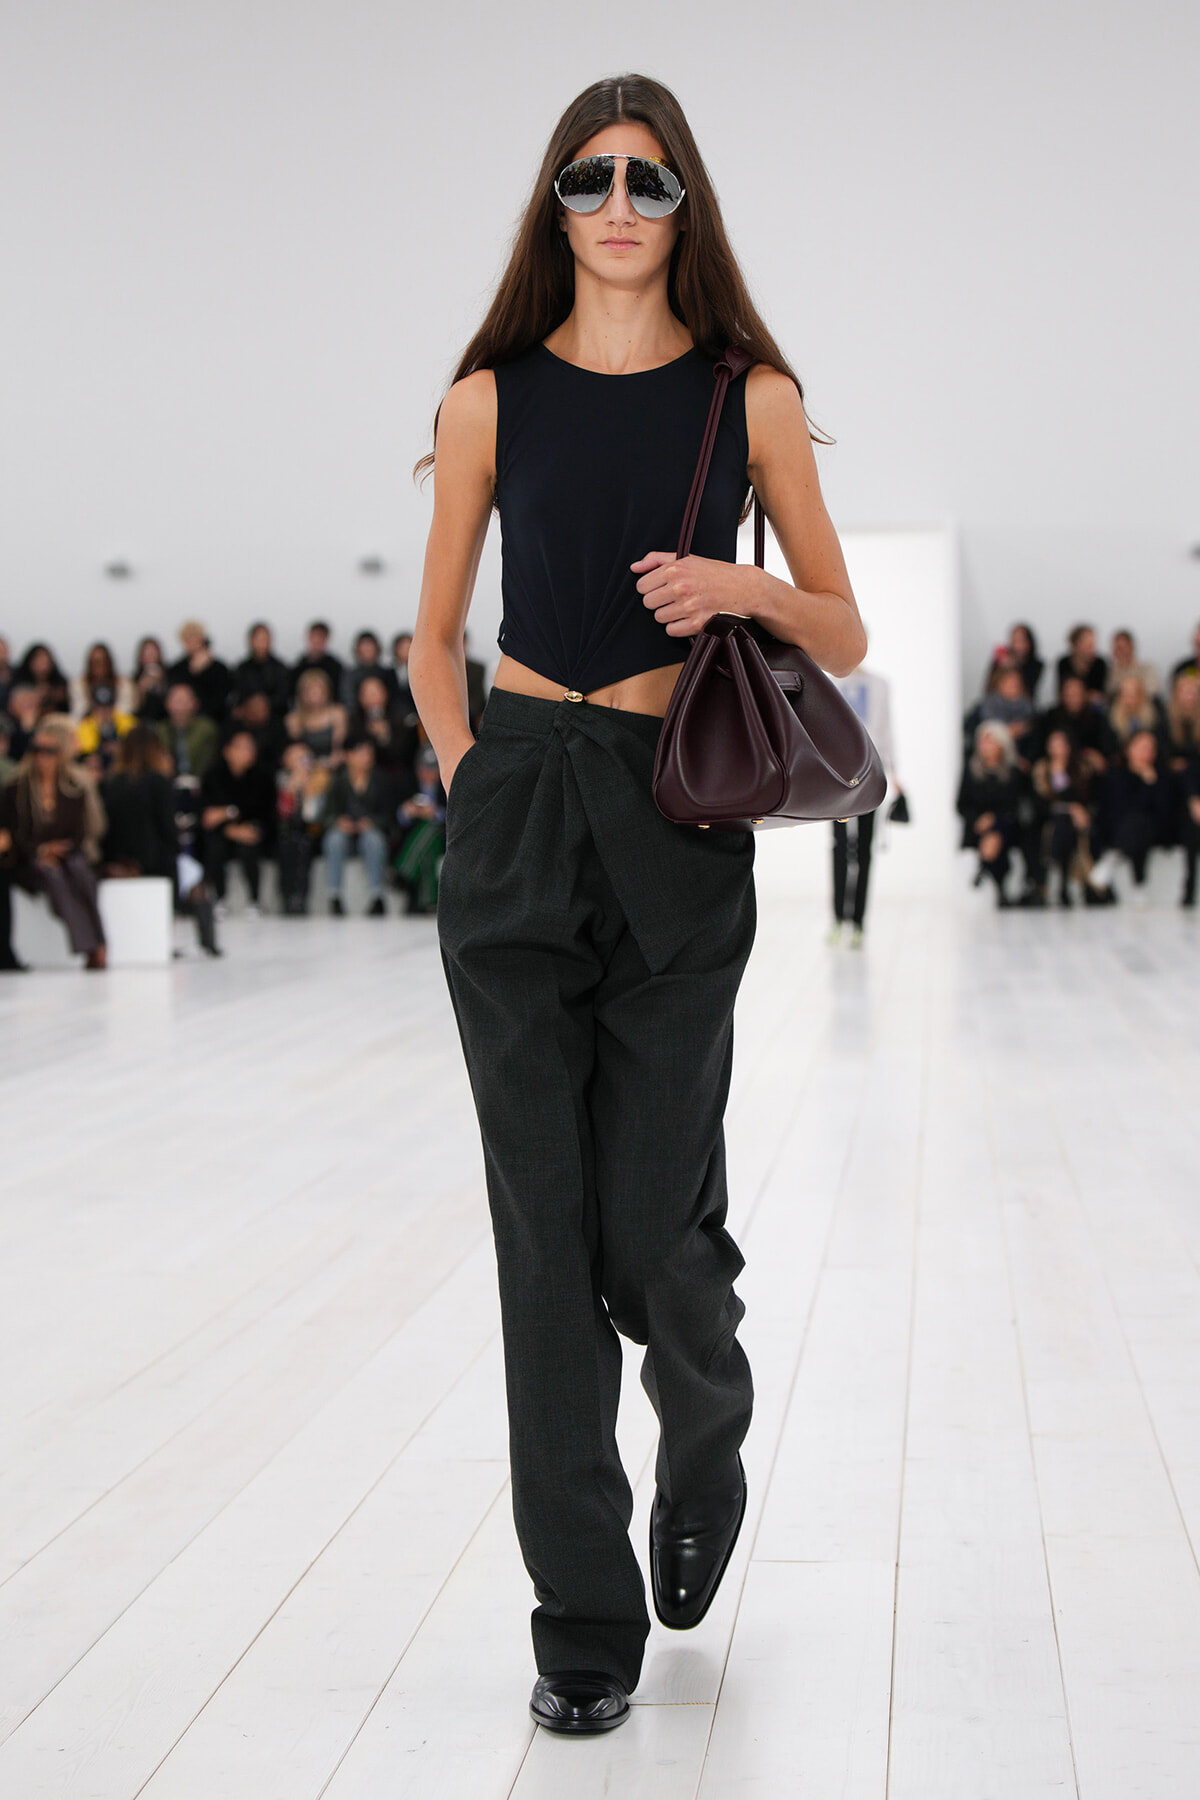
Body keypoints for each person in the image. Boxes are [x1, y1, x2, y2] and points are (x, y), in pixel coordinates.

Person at [407, 73, 867, 1736]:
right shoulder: (486, 399)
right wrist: (473, 777)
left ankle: (708, 1426)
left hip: (677, 822)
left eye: (649, 180)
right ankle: (579, 1614)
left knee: (646, 1228)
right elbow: (433, 628)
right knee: (544, 1239)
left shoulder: (748, 397)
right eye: (589, 177)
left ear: (685, 207)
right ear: (555, 203)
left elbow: (845, 629)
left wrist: (742, 586)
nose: (616, 201)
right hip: (523, 794)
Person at [0, 715, 108, 967]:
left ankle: (98, 944)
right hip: (29, 859)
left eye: (49, 751)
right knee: (53, 876)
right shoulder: (16, 788)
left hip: (69, 853)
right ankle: (90, 946)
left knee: (81, 873)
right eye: (37, 750)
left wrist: (60, 848)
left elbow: (82, 829)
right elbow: (12, 831)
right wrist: (39, 850)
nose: (42, 757)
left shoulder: (73, 786)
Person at [101, 724, 219, 954]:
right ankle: (207, 942)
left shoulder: (112, 782)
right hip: (156, 861)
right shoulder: (159, 782)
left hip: (119, 858)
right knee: (197, 878)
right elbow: (167, 828)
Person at [828, 664, 899, 946]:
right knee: (840, 847)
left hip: (871, 772)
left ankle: (857, 922)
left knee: (865, 848)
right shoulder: (831, 683)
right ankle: (838, 919)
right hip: (837, 774)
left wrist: (893, 771)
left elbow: (886, 729)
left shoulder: (879, 684)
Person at [1086, 728, 1173, 906]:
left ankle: (1113, 857)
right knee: (1136, 825)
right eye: (1141, 747)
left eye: (1149, 749)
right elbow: (1118, 808)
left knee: (1141, 824)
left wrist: (1150, 784)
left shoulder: (1161, 775)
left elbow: (1164, 810)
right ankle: (1139, 886)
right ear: (1128, 749)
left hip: (1153, 830)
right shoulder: (1115, 774)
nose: (1145, 753)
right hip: (1119, 828)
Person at [199, 727, 274, 915]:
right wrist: (231, 822)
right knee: (215, 848)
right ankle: (220, 898)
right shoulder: (213, 775)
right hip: (222, 833)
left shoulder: (263, 776)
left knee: (249, 848)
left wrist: (227, 813)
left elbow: (264, 811)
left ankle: (255, 900)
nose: (248, 752)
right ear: (227, 751)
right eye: (241, 747)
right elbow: (207, 815)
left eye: (250, 747)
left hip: (253, 829)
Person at [956, 721, 1031, 906]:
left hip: (1007, 825)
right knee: (992, 838)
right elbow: (961, 804)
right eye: (983, 741)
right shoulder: (971, 771)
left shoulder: (1013, 772)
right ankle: (996, 882)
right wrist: (979, 820)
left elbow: (1014, 805)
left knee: (996, 836)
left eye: (991, 741)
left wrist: (993, 819)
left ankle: (986, 871)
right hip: (977, 827)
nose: (986, 747)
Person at [321, 735, 393, 916]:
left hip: (368, 831)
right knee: (334, 840)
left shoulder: (381, 780)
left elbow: (389, 814)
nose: (365, 757)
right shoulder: (337, 780)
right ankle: (334, 895)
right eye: (360, 753)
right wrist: (338, 821)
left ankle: (377, 895)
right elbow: (326, 814)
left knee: (374, 840)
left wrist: (372, 822)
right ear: (348, 756)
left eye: (368, 753)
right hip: (345, 831)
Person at [1031, 727, 1095, 907]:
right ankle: (1059, 879)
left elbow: (1084, 796)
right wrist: (1069, 807)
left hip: (1075, 820)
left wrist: (1073, 808)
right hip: (1048, 819)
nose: (1058, 749)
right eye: (1054, 744)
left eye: (1061, 744)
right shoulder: (1041, 770)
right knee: (1060, 826)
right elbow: (1040, 802)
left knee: (1067, 827)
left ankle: (1066, 879)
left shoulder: (1080, 768)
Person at [391, 732, 447, 915]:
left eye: (432, 769)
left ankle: (403, 872)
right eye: (424, 768)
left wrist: (434, 812)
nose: (428, 774)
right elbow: (396, 818)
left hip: (442, 836)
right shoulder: (406, 784)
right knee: (427, 847)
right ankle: (425, 901)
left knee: (430, 828)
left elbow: (453, 817)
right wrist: (407, 810)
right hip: (413, 839)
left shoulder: (446, 786)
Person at [274, 741, 327, 914]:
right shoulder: (281, 779)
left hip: (312, 831)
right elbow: (282, 813)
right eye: (294, 757)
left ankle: (300, 896)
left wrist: (307, 790)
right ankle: (287, 895)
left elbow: (314, 816)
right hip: (287, 831)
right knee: (287, 846)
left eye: (303, 757)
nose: (299, 762)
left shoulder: (320, 778)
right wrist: (290, 789)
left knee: (303, 846)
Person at [167, 621, 231, 722]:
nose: (192, 642)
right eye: (188, 638)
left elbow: (221, 695)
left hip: (213, 719)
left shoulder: (218, 667)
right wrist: (194, 671)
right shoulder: (176, 669)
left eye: (195, 637)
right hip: (182, 719)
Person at [285, 667, 347, 768]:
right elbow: (296, 751)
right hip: (306, 767)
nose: (314, 696)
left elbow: (339, 749)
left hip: (333, 765)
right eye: (310, 691)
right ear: (302, 694)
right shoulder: (293, 719)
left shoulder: (338, 713)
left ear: (327, 692)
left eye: (318, 691)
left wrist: (327, 763)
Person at [230, 622, 291, 718]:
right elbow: (237, 695)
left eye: (264, 639)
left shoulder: (280, 668)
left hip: (274, 716)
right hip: (247, 716)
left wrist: (262, 706)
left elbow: (282, 697)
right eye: (257, 639)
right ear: (250, 641)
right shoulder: (242, 669)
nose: (261, 643)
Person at [76, 682, 137, 776]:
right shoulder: (86, 725)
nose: (104, 711)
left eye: (108, 707)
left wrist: (120, 749)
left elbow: (135, 748)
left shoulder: (128, 721)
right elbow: (88, 753)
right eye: (100, 707)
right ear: (94, 707)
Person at [339, 630, 398, 710]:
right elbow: (348, 698)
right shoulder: (349, 675)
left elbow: (394, 699)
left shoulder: (388, 673)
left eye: (369, 645)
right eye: (364, 646)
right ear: (357, 649)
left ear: (377, 648)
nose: (367, 649)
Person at [984, 622, 1043, 702]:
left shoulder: (1036, 665)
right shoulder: (1000, 660)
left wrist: (1015, 665)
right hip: (998, 703)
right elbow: (988, 687)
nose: (1018, 645)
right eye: (1015, 641)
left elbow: (1029, 689)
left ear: (1029, 643)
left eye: (1021, 641)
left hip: (1023, 705)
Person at [290, 620, 344, 702]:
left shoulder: (336, 668)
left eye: (321, 637)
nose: (317, 641)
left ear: (326, 639)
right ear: (308, 638)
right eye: (314, 637)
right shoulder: (298, 667)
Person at [12, 642, 69, 716]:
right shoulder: (19, 682)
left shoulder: (59, 683)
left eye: (44, 660)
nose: (41, 663)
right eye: (38, 659)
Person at [1055, 624, 1107, 703]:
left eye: (1093, 645)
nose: (1093, 649)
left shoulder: (1100, 664)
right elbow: (1062, 692)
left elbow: (1099, 694)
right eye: (1089, 646)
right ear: (1076, 644)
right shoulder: (1063, 663)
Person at [1106, 628, 1160, 700]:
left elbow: (1152, 690)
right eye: (1116, 649)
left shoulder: (1146, 668)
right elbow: (1109, 693)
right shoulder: (1111, 672)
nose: (1119, 653)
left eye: (1122, 648)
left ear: (1132, 647)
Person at [132, 635, 170, 722]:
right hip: (142, 719)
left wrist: (161, 684)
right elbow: (133, 707)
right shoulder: (135, 678)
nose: (150, 656)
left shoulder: (168, 674)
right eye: (147, 653)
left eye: (153, 653)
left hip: (164, 720)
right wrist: (141, 689)